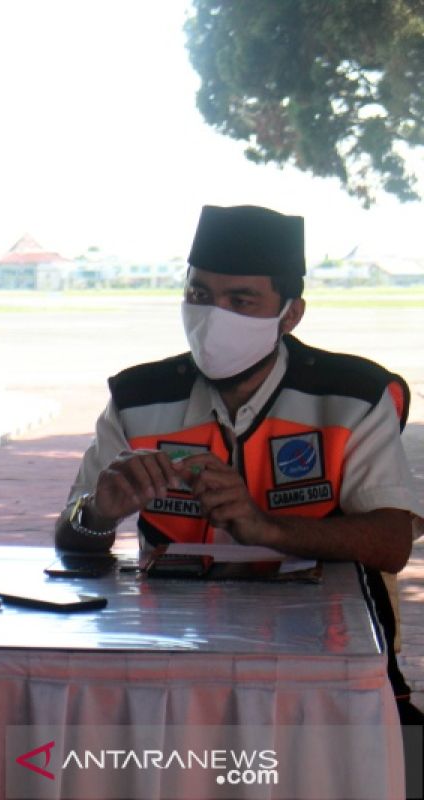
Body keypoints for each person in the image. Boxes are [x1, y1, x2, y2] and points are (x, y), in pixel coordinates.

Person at [55, 204, 423, 721]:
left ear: (290, 314)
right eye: (199, 295)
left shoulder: (351, 396)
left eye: (241, 300)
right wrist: (96, 513)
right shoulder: (139, 397)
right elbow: (70, 537)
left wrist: (263, 526)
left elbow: (390, 543)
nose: (213, 315)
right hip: (174, 655)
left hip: (325, 658)